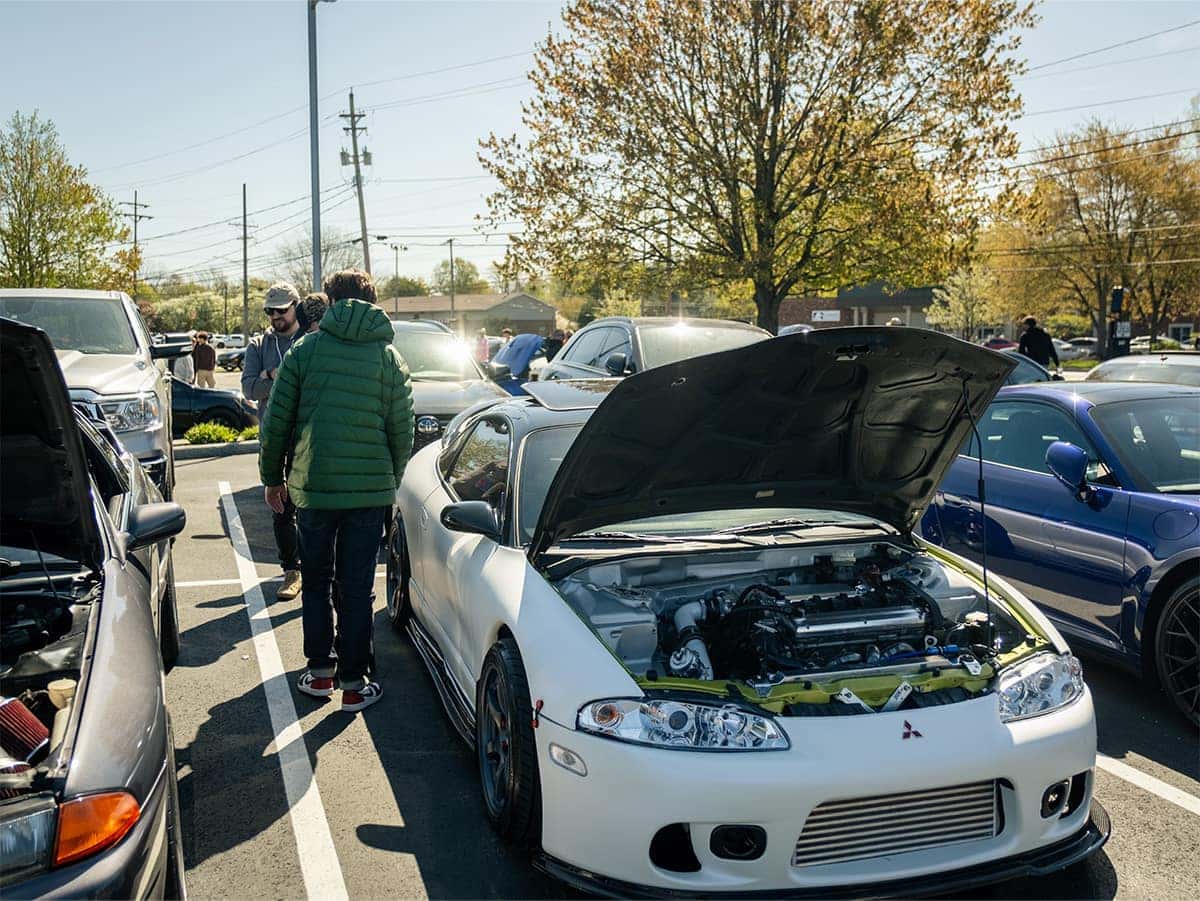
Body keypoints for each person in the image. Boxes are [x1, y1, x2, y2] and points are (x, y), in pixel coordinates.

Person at [259, 268, 413, 712]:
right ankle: (353, 684)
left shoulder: (304, 351)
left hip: (314, 488)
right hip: (369, 494)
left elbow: (277, 422)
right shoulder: (389, 358)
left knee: (316, 580)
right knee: (358, 584)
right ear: (372, 301)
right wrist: (390, 479)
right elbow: (401, 430)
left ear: (329, 300)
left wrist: (273, 477)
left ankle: (320, 672)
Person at [243, 283, 305, 600]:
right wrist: (273, 375)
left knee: (312, 509)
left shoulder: (309, 338)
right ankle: (291, 571)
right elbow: (249, 389)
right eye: (270, 310)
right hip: (275, 436)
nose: (276, 315)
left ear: (296, 306)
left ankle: (315, 569)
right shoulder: (258, 344)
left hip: (307, 435)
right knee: (281, 507)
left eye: (282, 309)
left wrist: (274, 377)